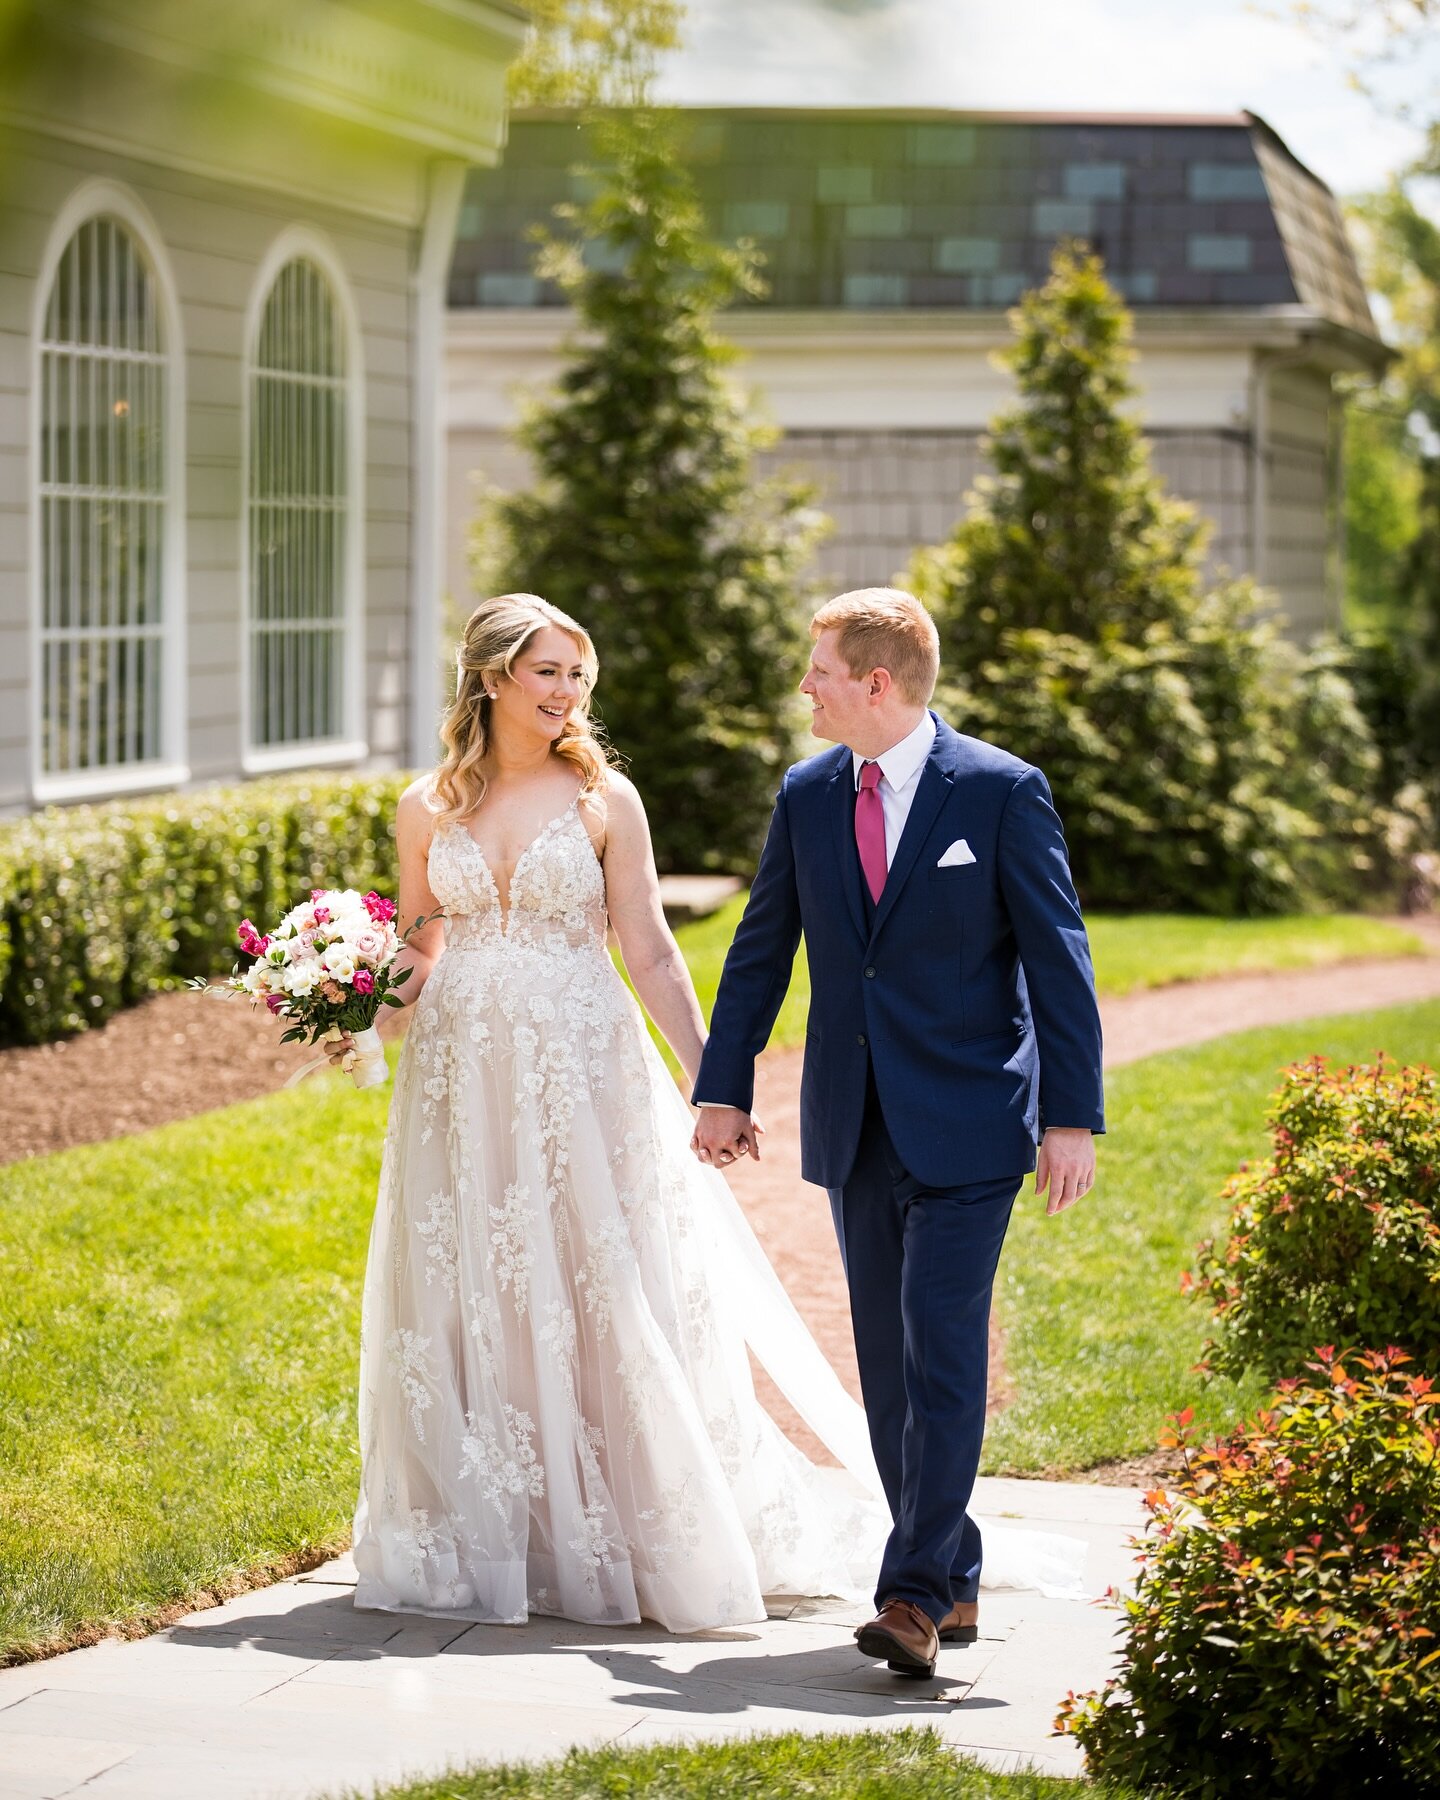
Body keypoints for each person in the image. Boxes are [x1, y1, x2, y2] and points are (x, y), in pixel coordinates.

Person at [338, 592, 894, 1633]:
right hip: (461, 1077)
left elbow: (647, 946)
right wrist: (354, 1005)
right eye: (549, 671)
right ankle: (503, 1522)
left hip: (582, 1068)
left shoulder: (604, 798)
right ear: (493, 676)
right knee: (477, 1281)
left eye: (577, 675)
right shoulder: (426, 805)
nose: (568, 692)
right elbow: (421, 947)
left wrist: (712, 1080)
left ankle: (638, 1521)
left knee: (602, 1275)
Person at [692, 586, 1105, 1679]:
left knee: (943, 1354)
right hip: (855, 1121)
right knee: (886, 1364)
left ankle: (912, 1595)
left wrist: (1071, 1116)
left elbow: (1061, 963)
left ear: (877, 683)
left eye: (819, 669)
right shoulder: (810, 792)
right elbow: (760, 949)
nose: (805, 688)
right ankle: (955, 1572)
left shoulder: (1004, 794)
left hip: (971, 1122)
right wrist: (722, 1085)